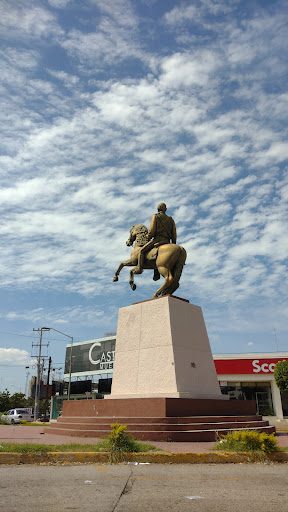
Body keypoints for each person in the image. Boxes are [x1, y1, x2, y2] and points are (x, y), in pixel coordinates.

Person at [136, 203, 177, 277]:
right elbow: (174, 234)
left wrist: (148, 237)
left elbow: (151, 231)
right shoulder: (171, 219)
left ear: (158, 209)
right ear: (166, 209)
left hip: (157, 239)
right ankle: (156, 272)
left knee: (141, 251)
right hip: (167, 241)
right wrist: (173, 244)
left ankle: (139, 268)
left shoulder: (155, 217)